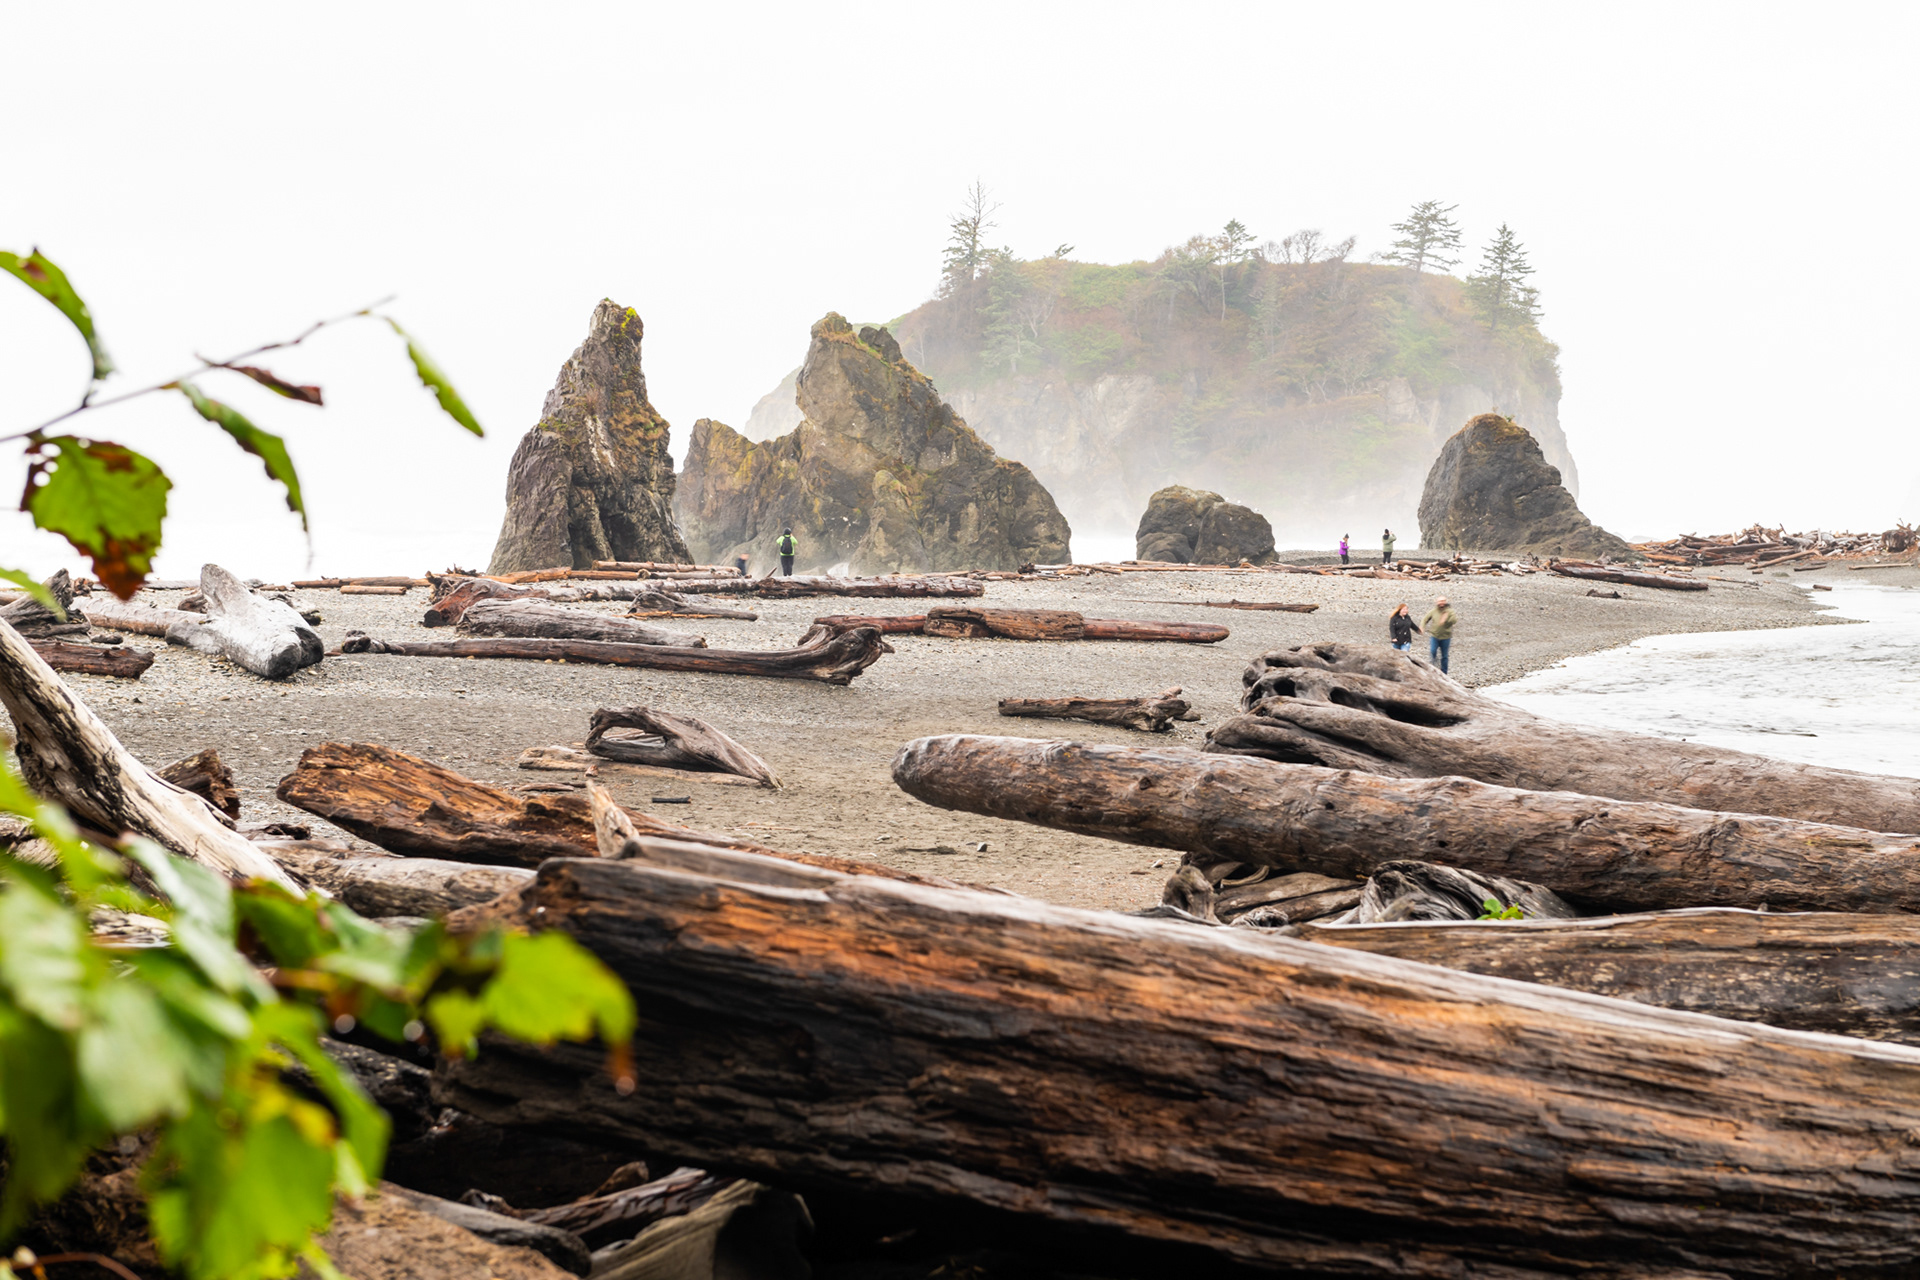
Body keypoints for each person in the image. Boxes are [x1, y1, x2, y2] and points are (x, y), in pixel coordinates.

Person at [1421, 596, 1457, 673]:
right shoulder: (1433, 611)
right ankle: (1433, 669)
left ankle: (1444, 673)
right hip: (1434, 636)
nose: (1441, 602)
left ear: (1446, 602)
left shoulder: (1450, 611)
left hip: (1446, 637)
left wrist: (1446, 620)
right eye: (1440, 601)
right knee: (1433, 652)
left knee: (1444, 656)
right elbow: (1425, 619)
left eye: (1443, 601)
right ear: (1437, 602)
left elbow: (1454, 620)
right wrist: (1422, 627)